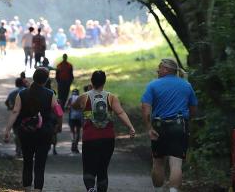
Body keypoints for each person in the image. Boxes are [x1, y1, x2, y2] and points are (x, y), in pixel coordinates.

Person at [72, 70, 135, 192]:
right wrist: (130, 127)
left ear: (91, 81)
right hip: (107, 138)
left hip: (90, 138)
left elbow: (74, 106)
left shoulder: (84, 97)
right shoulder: (111, 97)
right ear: (104, 82)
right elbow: (120, 112)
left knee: (89, 168)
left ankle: (90, 188)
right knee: (102, 169)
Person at [141, 58, 198, 192]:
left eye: (159, 67)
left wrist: (149, 128)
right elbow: (194, 108)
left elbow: (145, 108)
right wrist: (187, 120)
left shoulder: (153, 85)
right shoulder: (186, 85)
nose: (157, 70)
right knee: (176, 164)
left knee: (158, 162)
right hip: (179, 126)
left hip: (159, 126)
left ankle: (158, 190)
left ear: (166, 69)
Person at [4, 67, 62, 192]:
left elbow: (15, 111)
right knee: (40, 165)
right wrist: (59, 126)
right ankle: (37, 190)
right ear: (46, 80)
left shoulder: (22, 94)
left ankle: (27, 189)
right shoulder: (50, 94)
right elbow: (58, 112)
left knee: (27, 162)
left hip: (26, 132)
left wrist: (7, 130)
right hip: (44, 132)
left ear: (33, 78)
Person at [4, 77, 26, 157]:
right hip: (26, 115)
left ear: (16, 84)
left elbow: (6, 102)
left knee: (17, 133)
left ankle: (18, 150)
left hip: (16, 116)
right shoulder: (27, 91)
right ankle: (25, 149)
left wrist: (10, 107)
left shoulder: (12, 93)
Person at [65, 89, 83, 153]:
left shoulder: (70, 98)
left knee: (72, 131)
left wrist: (70, 107)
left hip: (71, 117)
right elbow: (83, 107)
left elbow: (66, 107)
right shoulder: (80, 98)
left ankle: (73, 142)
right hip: (79, 117)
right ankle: (76, 145)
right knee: (78, 132)